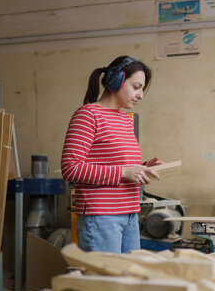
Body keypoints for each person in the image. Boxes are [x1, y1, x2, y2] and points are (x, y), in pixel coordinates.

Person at [61, 55, 162, 253]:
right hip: (101, 218)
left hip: (130, 215)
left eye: (142, 89)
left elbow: (113, 162)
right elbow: (70, 168)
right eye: (136, 86)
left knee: (128, 281)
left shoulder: (125, 119)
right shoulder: (88, 115)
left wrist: (142, 168)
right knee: (105, 282)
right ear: (116, 80)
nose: (140, 95)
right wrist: (124, 173)